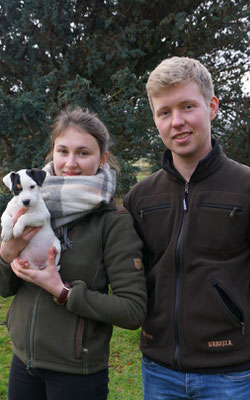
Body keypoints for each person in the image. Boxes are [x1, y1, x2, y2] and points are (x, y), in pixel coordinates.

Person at [124, 56, 250, 400]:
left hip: (229, 374)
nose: (177, 122)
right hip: (158, 370)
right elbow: (130, 275)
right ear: (155, 119)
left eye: (188, 106)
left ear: (212, 106)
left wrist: (239, 324)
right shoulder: (140, 198)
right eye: (164, 112)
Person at [0, 107, 147, 400]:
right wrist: (6, 254)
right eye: (62, 150)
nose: (70, 163)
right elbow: (4, 288)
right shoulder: (27, 205)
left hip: (77, 375)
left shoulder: (113, 221)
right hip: (23, 363)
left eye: (83, 153)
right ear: (52, 152)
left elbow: (132, 311)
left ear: (102, 158)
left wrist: (61, 290)